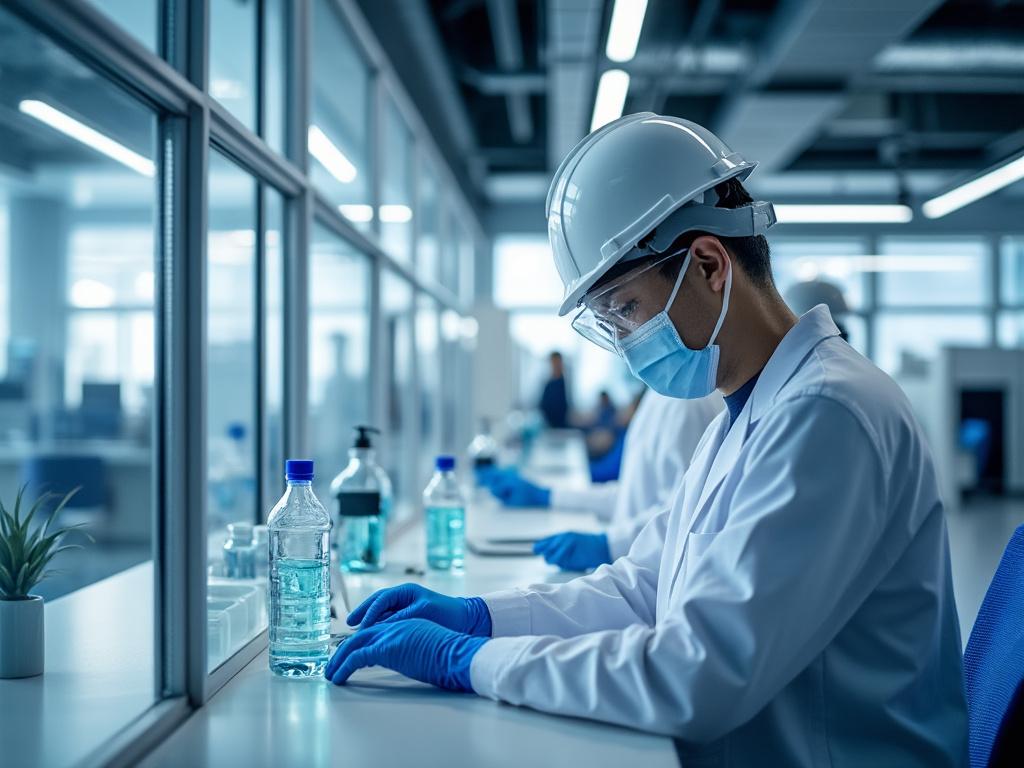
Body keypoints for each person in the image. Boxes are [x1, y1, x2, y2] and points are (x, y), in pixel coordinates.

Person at [324, 113, 967, 765]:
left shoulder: (828, 414)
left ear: (710, 264)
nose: (629, 344)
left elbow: (700, 675)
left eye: (626, 310)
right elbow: (644, 587)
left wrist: (472, 661)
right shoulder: (745, 412)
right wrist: (482, 616)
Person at [486, 388, 722, 571]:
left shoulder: (687, 403)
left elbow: (682, 513)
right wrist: (548, 495)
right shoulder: (659, 396)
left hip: (651, 568)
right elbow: (632, 494)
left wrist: (609, 544)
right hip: (633, 563)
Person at [537, 351, 570, 428]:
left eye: (557, 362)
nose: (555, 365)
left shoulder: (563, 382)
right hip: (548, 424)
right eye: (553, 362)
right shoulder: (549, 383)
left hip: (560, 424)